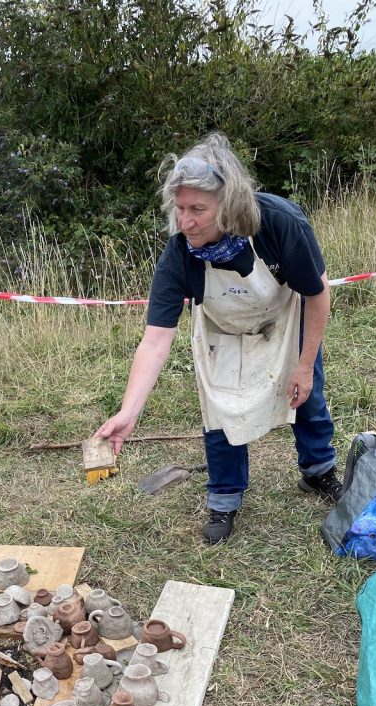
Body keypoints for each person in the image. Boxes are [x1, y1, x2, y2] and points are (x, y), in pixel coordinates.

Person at [96, 133, 341, 544]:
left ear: (229, 205)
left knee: (306, 395)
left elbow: (317, 294)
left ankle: (318, 472)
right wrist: (128, 412)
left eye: (198, 209)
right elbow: (155, 341)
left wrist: (303, 365)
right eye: (180, 208)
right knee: (220, 411)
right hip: (221, 326)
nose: (186, 221)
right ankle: (225, 498)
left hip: (283, 315)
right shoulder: (179, 254)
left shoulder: (279, 222)